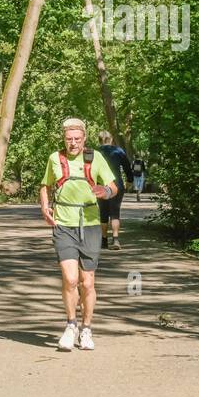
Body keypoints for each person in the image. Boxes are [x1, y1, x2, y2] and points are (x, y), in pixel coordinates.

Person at [39, 118, 118, 351]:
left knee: (87, 281)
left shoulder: (95, 158)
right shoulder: (55, 158)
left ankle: (86, 328)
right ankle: (70, 324)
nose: (73, 143)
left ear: (84, 138)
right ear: (64, 139)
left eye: (77, 139)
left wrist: (104, 191)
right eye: (69, 139)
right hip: (64, 224)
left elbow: (113, 186)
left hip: (91, 224)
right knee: (70, 279)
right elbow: (45, 185)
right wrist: (45, 207)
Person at [96, 131, 134, 250]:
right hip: (116, 185)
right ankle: (116, 240)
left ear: (99, 140)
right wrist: (130, 180)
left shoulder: (95, 153)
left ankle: (104, 241)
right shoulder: (118, 151)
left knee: (103, 212)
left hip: (100, 185)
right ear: (111, 139)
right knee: (115, 212)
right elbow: (127, 167)